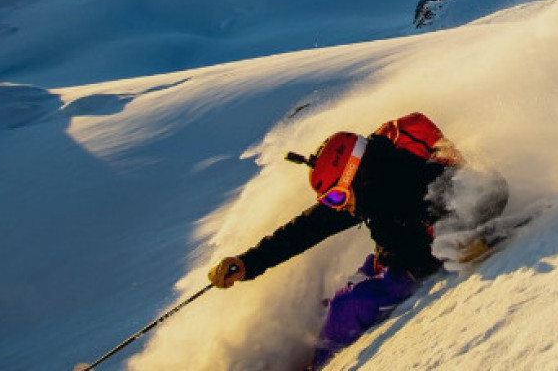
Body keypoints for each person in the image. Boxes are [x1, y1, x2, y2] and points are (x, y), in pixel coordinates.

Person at [207, 112, 507, 369]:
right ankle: (313, 353)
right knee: (328, 307)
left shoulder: (419, 177)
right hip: (393, 256)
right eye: (330, 199)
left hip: (415, 266)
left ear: (357, 175)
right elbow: (304, 230)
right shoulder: (364, 194)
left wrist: (471, 237)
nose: (336, 206)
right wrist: (248, 262)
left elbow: (491, 191)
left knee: (349, 306)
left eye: (336, 196)